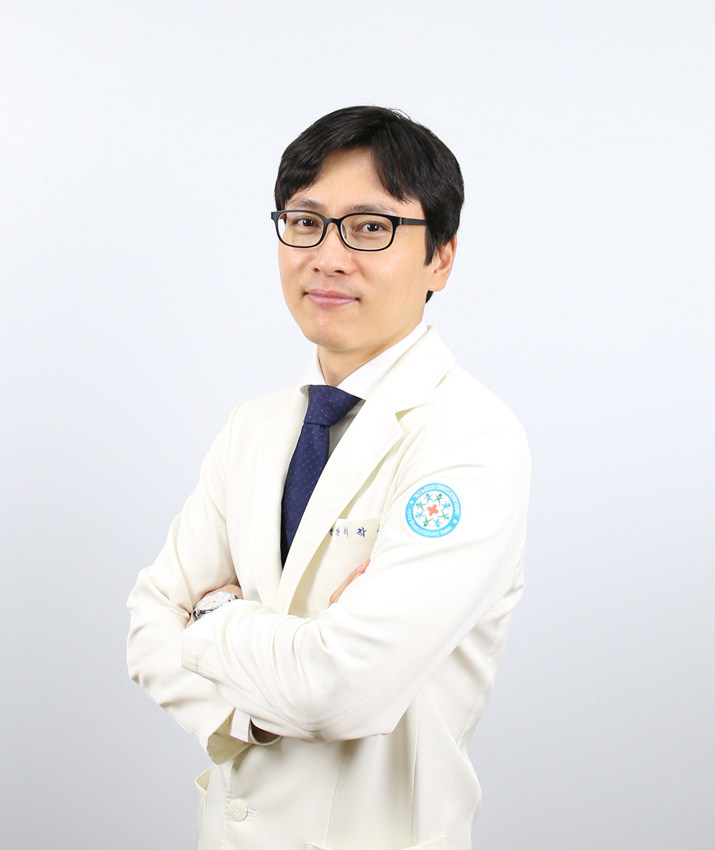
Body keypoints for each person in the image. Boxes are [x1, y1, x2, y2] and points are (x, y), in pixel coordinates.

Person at [126, 106, 531, 850]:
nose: (329, 256)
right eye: (306, 222)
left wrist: (212, 620)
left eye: (371, 227)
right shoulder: (254, 426)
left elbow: (340, 690)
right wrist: (251, 715)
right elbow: (149, 622)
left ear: (441, 258)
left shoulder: (469, 438)